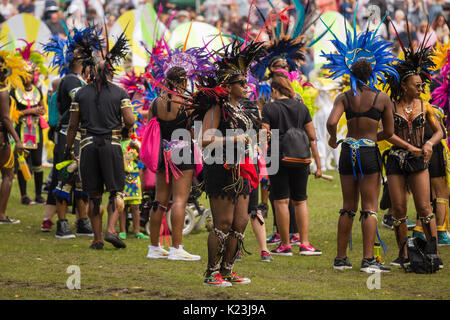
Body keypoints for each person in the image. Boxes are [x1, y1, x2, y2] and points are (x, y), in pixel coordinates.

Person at [323, 9, 400, 272]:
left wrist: (335, 140)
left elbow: (332, 123)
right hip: (368, 153)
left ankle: (340, 259)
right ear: (373, 71)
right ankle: (368, 260)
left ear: (351, 72)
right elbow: (389, 133)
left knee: (347, 207)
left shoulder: (344, 97)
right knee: (369, 208)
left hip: (348, 151)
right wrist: (371, 140)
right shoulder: (382, 98)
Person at [198, 40, 266, 286]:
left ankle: (227, 269)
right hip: (221, 169)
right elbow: (204, 139)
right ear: (227, 86)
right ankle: (211, 272)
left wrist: (259, 138)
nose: (247, 86)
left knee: (240, 223)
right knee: (223, 224)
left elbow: (249, 137)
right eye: (242, 83)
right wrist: (233, 138)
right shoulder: (217, 109)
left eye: (247, 81)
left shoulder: (243, 110)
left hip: (244, 169)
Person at [65, 30, 134, 250]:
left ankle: (97, 239)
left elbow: (73, 126)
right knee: (116, 191)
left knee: (93, 194)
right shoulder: (119, 92)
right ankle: (111, 230)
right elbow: (130, 119)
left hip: (87, 146)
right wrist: (126, 129)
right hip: (111, 146)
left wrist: (68, 148)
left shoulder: (80, 94)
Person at [383, 24, 443, 268]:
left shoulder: (425, 106)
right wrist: (409, 146)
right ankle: (403, 254)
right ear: (405, 85)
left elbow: (440, 131)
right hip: (396, 160)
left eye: (422, 85)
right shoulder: (391, 105)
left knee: (424, 207)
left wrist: (428, 143)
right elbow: (385, 133)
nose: (421, 88)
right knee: (398, 209)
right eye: (417, 85)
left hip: (419, 161)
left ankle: (433, 253)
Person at [262, 75, 322, 257]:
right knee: (300, 200)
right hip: (300, 156)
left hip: (277, 156)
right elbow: (312, 135)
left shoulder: (269, 107)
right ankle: (304, 243)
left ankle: (285, 245)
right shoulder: (301, 107)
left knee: (281, 201)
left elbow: (264, 134)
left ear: (274, 90)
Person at [41, 32, 93, 238]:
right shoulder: (72, 80)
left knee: (80, 178)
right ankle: (62, 223)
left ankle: (82, 222)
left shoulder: (77, 80)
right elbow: (80, 101)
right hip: (67, 134)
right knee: (66, 176)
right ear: (81, 64)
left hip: (78, 133)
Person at [10, 63, 46, 206]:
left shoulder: (37, 91)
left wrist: (41, 111)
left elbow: (42, 108)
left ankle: (38, 195)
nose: (28, 76)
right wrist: (29, 111)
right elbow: (12, 115)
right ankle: (24, 196)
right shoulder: (14, 92)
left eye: (31, 73)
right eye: (26, 73)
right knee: (22, 163)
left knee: (38, 163)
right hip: (22, 131)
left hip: (36, 131)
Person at [0, 51, 27, 224]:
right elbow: (5, 118)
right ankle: (1, 215)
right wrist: (17, 139)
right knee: (8, 175)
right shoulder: (2, 92)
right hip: (1, 138)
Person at [118, 126, 149, 240]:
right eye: (129, 131)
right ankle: (123, 231)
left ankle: (137, 231)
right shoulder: (119, 144)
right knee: (122, 206)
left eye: (132, 131)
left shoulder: (137, 144)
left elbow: (143, 157)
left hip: (134, 178)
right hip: (122, 177)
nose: (131, 133)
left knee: (135, 206)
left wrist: (136, 147)